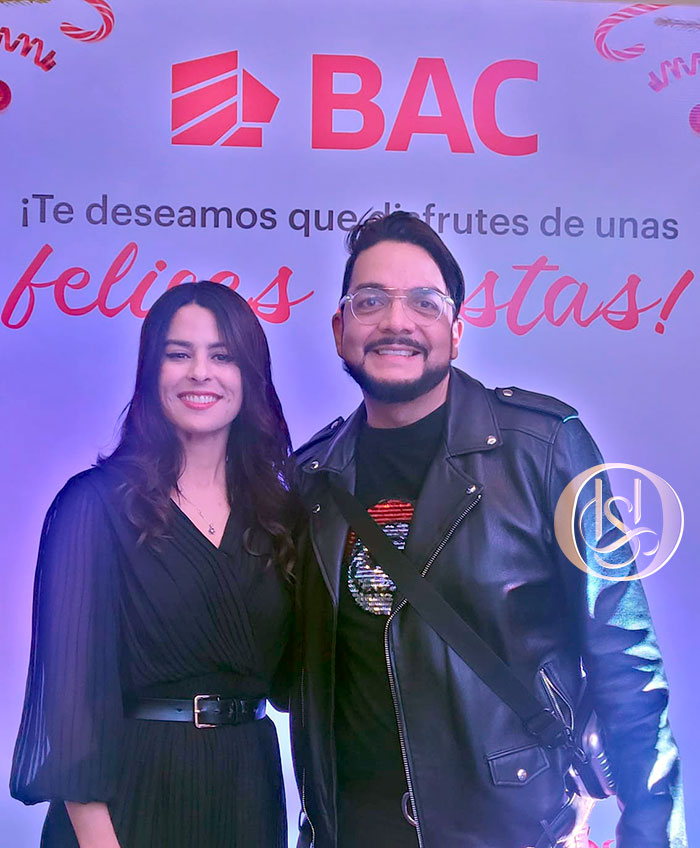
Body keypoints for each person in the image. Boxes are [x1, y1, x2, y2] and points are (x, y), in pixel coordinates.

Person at [289, 212, 686, 848]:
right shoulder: (311, 479)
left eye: (425, 301)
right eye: (371, 301)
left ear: (455, 332)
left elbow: (624, 660)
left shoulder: (545, 447)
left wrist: (652, 833)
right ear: (340, 331)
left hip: (515, 829)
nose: (396, 321)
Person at [11, 281, 295, 847]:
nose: (200, 373)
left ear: (250, 376)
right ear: (150, 372)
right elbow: (72, 707)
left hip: (247, 790)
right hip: (129, 798)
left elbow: (298, 682)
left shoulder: (279, 515)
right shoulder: (93, 504)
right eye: (178, 354)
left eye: (222, 356)